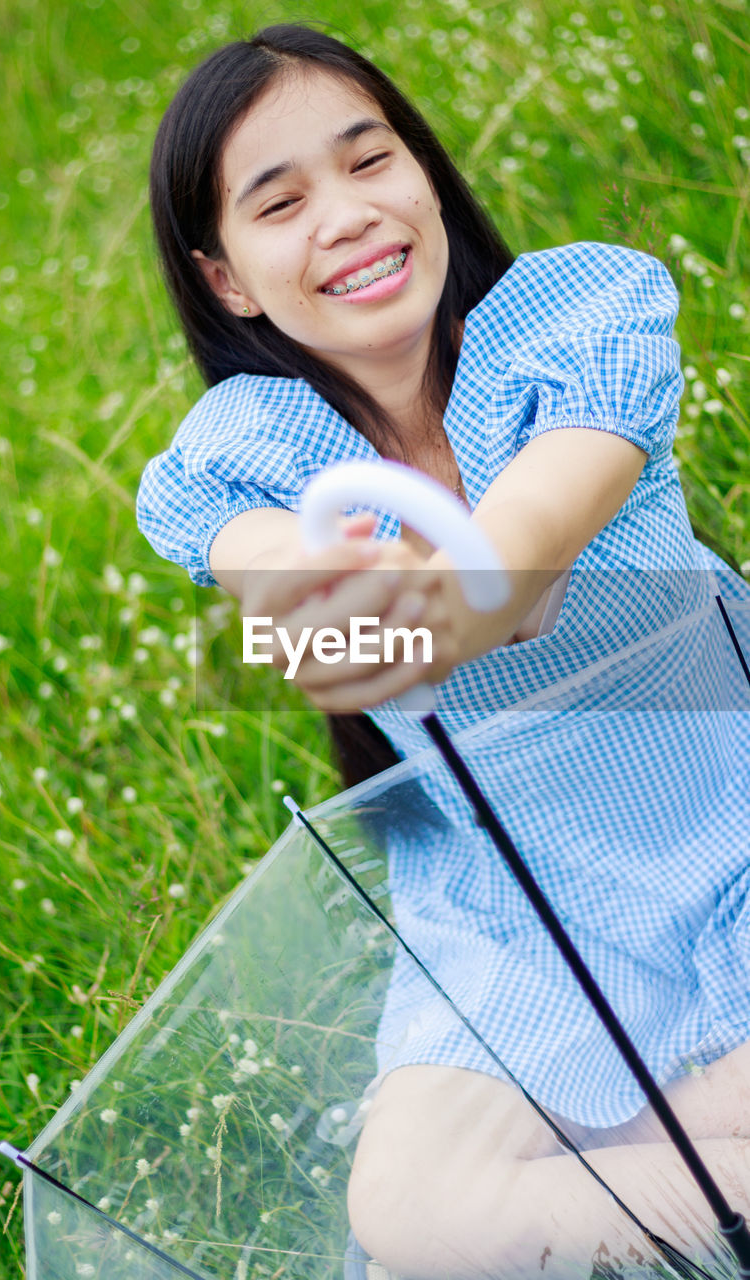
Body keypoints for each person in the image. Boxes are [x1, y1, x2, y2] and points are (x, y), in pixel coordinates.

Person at [137, 23, 750, 1280]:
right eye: (283, 201)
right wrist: (336, 603)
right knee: (409, 1210)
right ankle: (686, 1175)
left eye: (372, 161)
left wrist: (462, 596)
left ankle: (620, 1169)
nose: (350, 216)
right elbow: (292, 601)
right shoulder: (243, 452)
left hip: (729, 810)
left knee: (503, 1207)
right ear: (229, 280)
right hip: (518, 906)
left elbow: (522, 541)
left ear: (425, 174)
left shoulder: (576, 318)